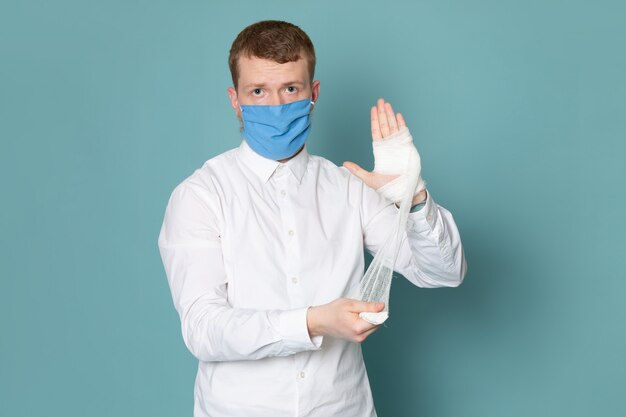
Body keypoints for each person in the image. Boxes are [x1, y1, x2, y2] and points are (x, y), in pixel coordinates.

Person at [158, 20, 466, 417]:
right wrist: (314, 322)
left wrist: (415, 198)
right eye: (258, 91)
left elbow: (444, 272)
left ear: (313, 92)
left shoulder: (349, 187)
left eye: (290, 89)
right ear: (235, 100)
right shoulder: (200, 196)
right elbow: (203, 328)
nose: (276, 106)